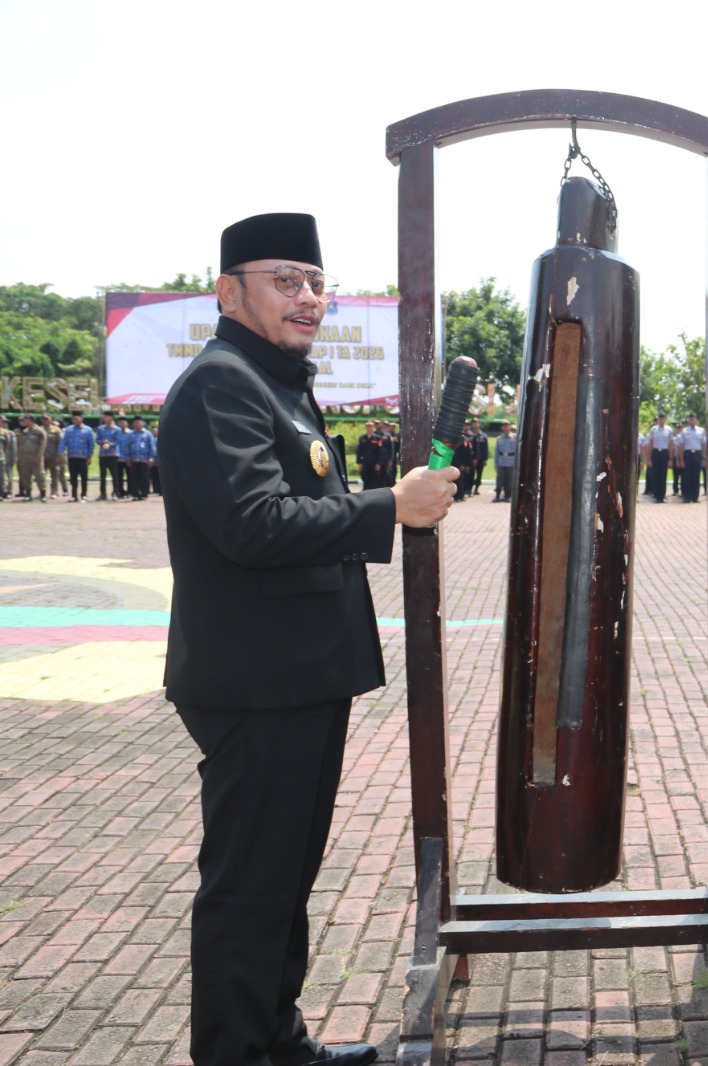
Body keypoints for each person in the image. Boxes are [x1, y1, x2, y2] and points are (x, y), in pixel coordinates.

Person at [161, 213, 458, 1066]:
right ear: (229, 292)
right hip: (257, 682)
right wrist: (388, 507)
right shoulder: (223, 384)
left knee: (283, 878)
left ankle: (276, 1039)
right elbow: (253, 523)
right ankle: (237, 1053)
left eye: (317, 282)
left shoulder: (273, 381)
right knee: (250, 886)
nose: (308, 298)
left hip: (296, 675)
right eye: (285, 280)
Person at [60, 411, 96, 503]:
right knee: (73, 477)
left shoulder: (88, 430)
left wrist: (89, 456)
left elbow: (91, 444)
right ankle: (74, 496)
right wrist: (60, 453)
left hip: (83, 457)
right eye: (73, 419)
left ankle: (84, 495)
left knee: (84, 477)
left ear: (81, 419)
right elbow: (64, 442)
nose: (74, 420)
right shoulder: (69, 430)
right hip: (72, 456)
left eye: (76, 419)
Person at [14, 414, 46, 502]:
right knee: (26, 476)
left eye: (25, 419)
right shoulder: (25, 431)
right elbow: (20, 445)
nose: (23, 421)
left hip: (35, 457)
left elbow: (42, 445)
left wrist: (39, 457)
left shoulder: (40, 431)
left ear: (30, 420)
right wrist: (19, 458)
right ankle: (28, 494)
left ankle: (43, 494)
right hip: (25, 457)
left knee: (39, 476)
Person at [124, 416, 156, 499]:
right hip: (134, 459)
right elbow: (127, 447)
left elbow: (152, 447)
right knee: (134, 478)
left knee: (145, 477)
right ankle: (135, 494)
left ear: (142, 423)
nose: (137, 424)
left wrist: (151, 458)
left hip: (145, 460)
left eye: (139, 422)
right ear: (133, 424)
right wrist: (127, 458)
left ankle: (144, 494)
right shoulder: (130, 434)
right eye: (135, 422)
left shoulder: (148, 434)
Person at [644, 414, 672, 503]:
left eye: (663, 419)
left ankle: (662, 496)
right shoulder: (653, 430)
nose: (661, 421)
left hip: (664, 452)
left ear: (665, 420)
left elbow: (670, 444)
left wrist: (670, 458)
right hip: (655, 452)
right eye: (660, 419)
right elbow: (650, 444)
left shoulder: (669, 429)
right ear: (658, 420)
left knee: (663, 475)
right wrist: (649, 459)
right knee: (655, 475)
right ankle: (656, 495)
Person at [680, 413, 706, 503]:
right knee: (687, 476)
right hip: (687, 454)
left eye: (693, 419)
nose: (692, 421)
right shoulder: (684, 431)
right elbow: (681, 445)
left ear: (696, 421)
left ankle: (695, 497)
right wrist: (681, 459)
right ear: (688, 421)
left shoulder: (701, 431)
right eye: (690, 420)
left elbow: (703, 444)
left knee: (696, 476)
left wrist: (704, 457)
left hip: (697, 454)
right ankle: (687, 496)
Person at [95, 411, 119, 500]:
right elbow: (97, 439)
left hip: (113, 454)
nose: (105, 419)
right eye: (104, 417)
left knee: (114, 474)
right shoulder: (100, 429)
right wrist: (102, 442)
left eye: (107, 417)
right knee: (102, 475)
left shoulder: (117, 429)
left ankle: (115, 493)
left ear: (111, 418)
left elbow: (118, 441)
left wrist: (110, 444)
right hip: (103, 454)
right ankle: (103, 494)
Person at [493, 421, 517, 502]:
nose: (505, 427)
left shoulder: (515, 437)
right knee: (499, 479)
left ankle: (507, 496)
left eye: (507, 425)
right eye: (504, 426)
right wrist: (496, 463)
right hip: (501, 461)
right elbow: (496, 451)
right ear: (502, 427)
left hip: (511, 461)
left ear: (510, 427)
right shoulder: (499, 438)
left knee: (509, 479)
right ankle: (497, 495)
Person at [469, 419, 488, 496]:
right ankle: (469, 489)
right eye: (474, 423)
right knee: (471, 475)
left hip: (481, 459)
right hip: (472, 459)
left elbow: (485, 448)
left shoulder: (483, 436)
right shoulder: (470, 435)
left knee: (479, 475)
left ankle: (476, 489)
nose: (475, 424)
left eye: (476, 423)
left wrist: (485, 459)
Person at [0, 418, 14, 499]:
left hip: (1, 457)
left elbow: (7, 445)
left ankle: (2, 493)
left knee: (1, 477)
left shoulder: (5, 432)